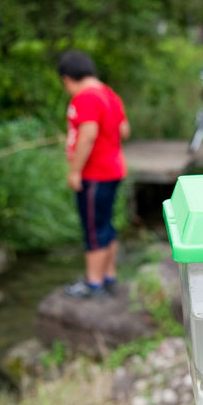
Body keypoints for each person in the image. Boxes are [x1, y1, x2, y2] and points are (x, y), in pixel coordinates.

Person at [58, 50, 130, 299]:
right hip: (114, 169)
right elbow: (124, 130)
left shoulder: (84, 98)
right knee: (106, 224)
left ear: (67, 78)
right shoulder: (109, 94)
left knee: (93, 228)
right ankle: (109, 276)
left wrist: (75, 171)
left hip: (95, 174)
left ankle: (93, 283)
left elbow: (88, 133)